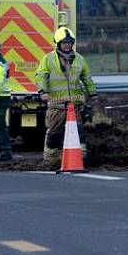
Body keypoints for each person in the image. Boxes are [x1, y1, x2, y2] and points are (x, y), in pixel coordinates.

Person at [35, 27, 97, 165]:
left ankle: (80, 158)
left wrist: (93, 93)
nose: (67, 45)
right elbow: (41, 76)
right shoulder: (48, 59)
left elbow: (87, 78)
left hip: (74, 106)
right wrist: (42, 91)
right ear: (57, 44)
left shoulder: (80, 59)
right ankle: (50, 160)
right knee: (54, 135)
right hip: (56, 107)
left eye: (70, 42)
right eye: (64, 42)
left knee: (79, 133)